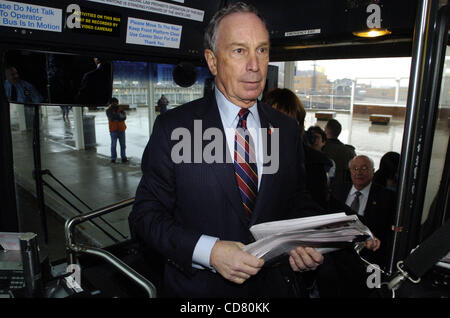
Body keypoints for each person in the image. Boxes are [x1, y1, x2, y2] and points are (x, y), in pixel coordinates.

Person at [129, 2, 326, 298]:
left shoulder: (284, 129)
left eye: (261, 50)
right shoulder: (175, 128)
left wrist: (303, 240)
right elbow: (146, 215)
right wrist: (209, 252)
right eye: (239, 51)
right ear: (212, 60)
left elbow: (296, 198)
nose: (255, 65)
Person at [317, 155, 396, 297]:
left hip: (370, 261)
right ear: (350, 171)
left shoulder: (387, 197)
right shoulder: (336, 190)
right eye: (355, 168)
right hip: (337, 259)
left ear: (373, 171)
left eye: (364, 168)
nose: (359, 172)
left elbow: (389, 232)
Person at [263, 88, 333, 209]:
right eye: (274, 122)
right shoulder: (245, 158)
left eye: (287, 123)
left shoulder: (313, 165)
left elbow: (315, 210)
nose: (280, 129)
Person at [322, 118, 356, 187]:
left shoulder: (320, 149)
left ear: (326, 131)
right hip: (342, 187)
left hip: (323, 186)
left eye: (324, 128)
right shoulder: (349, 151)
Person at [106, 97, 127, 163]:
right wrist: (118, 117)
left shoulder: (121, 109)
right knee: (113, 145)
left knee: (123, 145)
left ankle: (123, 158)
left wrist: (116, 116)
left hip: (121, 129)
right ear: (111, 103)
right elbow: (111, 118)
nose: (115, 104)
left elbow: (124, 117)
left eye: (116, 102)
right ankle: (113, 158)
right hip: (113, 130)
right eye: (113, 103)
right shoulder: (108, 110)